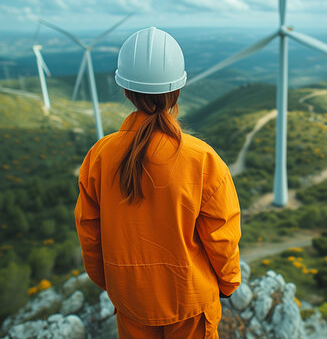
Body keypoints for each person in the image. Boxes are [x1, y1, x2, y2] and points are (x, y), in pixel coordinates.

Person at [74, 27, 241, 339]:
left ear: (125, 90)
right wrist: (229, 283)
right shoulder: (202, 159)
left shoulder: (99, 155)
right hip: (189, 303)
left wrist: (112, 282)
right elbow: (222, 234)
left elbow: (89, 231)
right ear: (177, 89)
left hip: (130, 301)